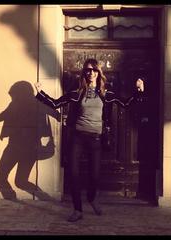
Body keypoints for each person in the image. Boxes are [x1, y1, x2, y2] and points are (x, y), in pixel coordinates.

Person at [34, 58, 144, 222]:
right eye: (87, 70)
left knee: (95, 176)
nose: (90, 72)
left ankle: (92, 198)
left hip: (95, 139)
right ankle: (77, 210)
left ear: (99, 73)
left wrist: (139, 91)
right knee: (73, 174)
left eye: (93, 70)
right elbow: (56, 103)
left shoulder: (106, 94)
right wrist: (40, 93)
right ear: (84, 73)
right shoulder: (77, 93)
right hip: (77, 138)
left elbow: (126, 103)